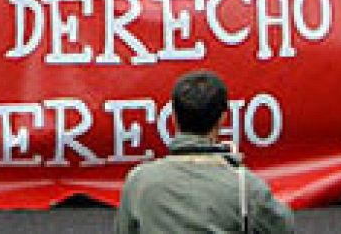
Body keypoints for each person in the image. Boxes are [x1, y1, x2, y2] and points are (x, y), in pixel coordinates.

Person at [114, 69, 295, 233]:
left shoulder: (138, 182)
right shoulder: (246, 187)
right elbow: (283, 227)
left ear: (174, 118)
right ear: (222, 118)